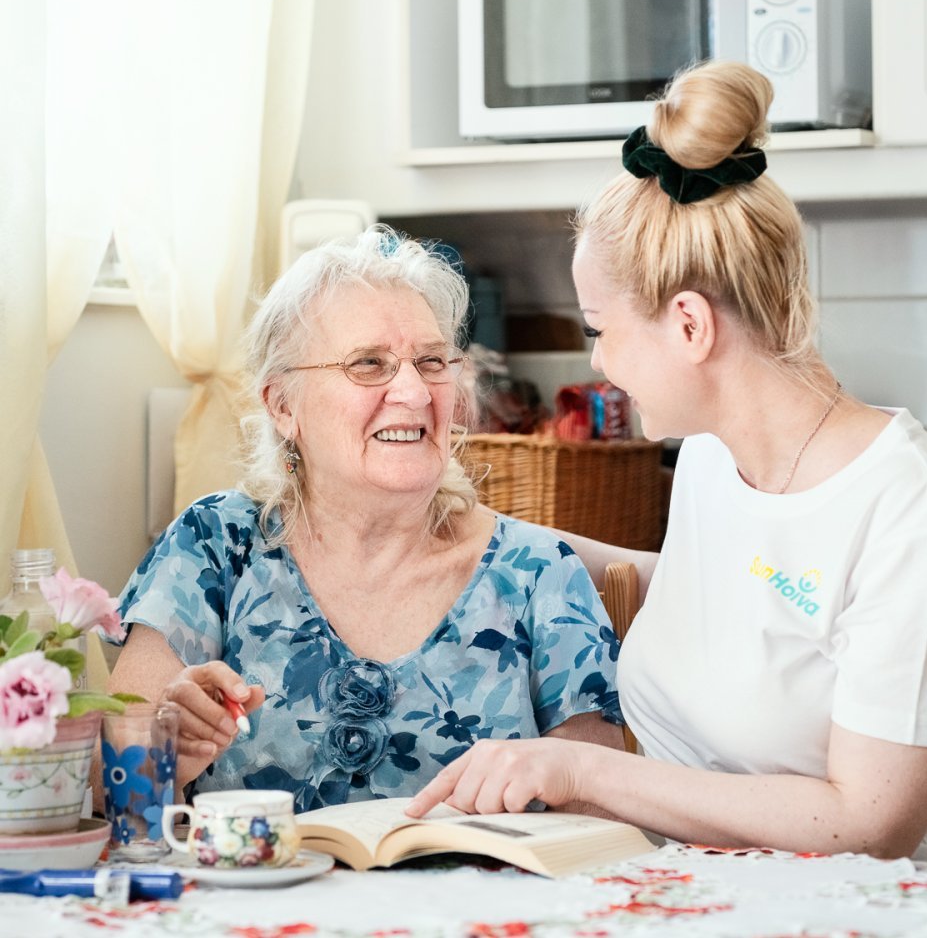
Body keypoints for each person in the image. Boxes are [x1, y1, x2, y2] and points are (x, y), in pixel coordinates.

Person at [406, 60, 927, 865]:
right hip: (707, 891)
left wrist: (583, 771)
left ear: (689, 326)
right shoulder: (713, 458)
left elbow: (866, 823)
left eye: (598, 329)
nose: (597, 362)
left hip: (890, 909)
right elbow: (736, 600)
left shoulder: (914, 513)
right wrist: (492, 538)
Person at [103, 226, 624, 811]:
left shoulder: (539, 574)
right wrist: (168, 751)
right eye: (369, 364)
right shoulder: (214, 546)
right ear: (283, 405)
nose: (415, 392)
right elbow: (107, 784)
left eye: (431, 361)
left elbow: (600, 816)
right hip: (262, 876)